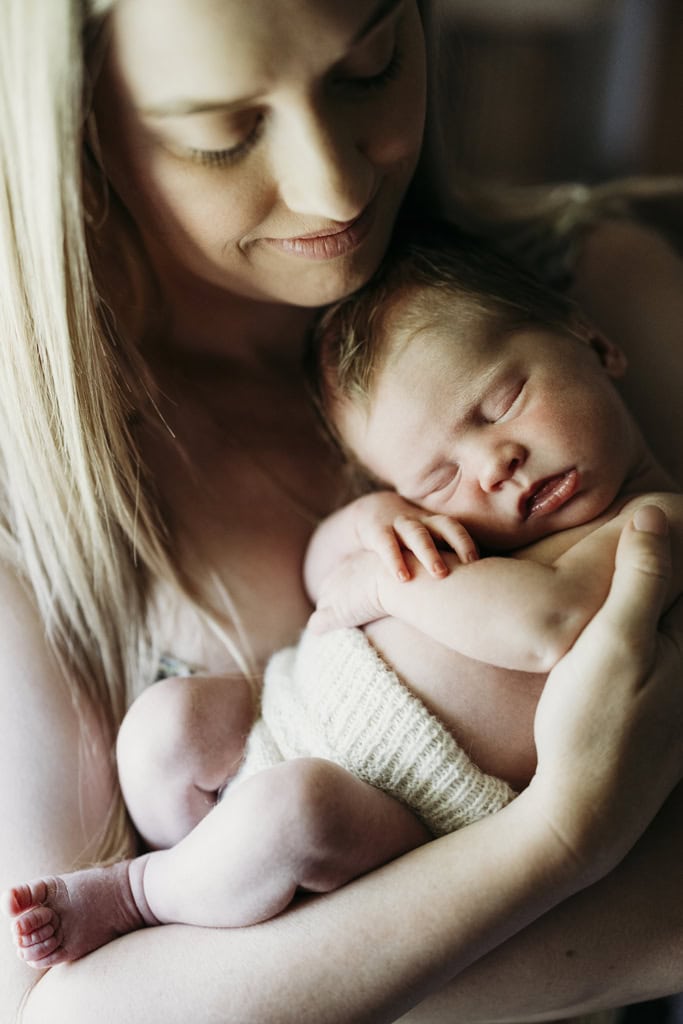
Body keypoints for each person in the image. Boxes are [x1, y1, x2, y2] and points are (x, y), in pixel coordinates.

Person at [0, 1, 682, 1021]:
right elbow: (55, 1009)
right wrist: (556, 843)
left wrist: (313, 978)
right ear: (76, 132)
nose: (337, 184)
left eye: (367, 68)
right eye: (221, 131)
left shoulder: (582, 290)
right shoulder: (36, 505)